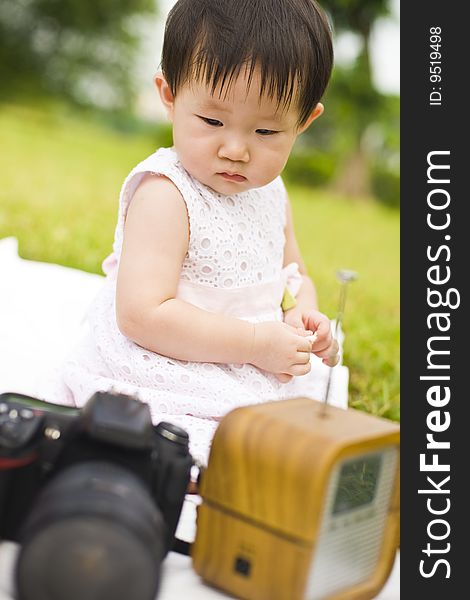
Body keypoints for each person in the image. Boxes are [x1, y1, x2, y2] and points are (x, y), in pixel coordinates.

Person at [46, 0, 341, 465]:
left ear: (304, 121)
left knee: (295, 441)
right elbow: (143, 315)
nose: (236, 149)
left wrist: (304, 318)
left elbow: (294, 275)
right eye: (212, 121)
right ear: (169, 93)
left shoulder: (270, 191)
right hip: (169, 358)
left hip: (249, 359)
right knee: (205, 450)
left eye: (266, 131)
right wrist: (255, 344)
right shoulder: (167, 194)